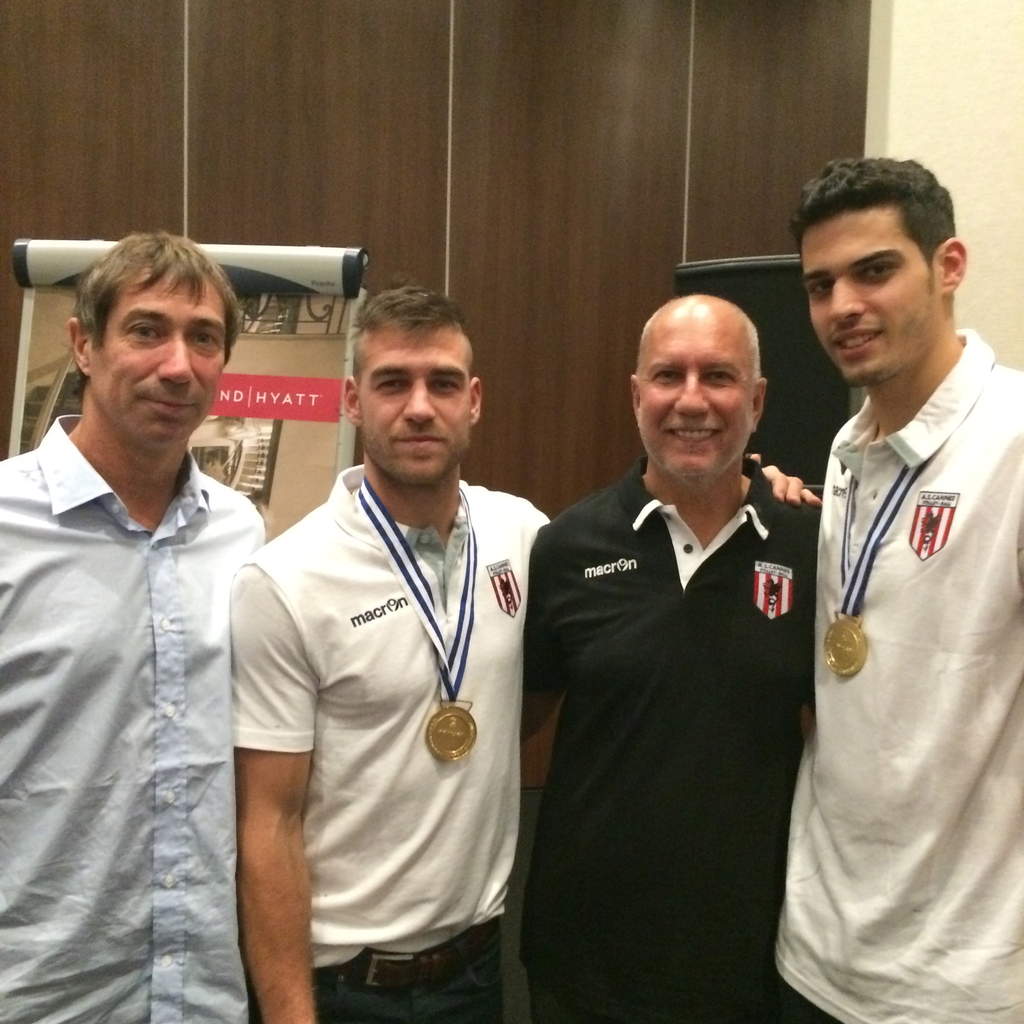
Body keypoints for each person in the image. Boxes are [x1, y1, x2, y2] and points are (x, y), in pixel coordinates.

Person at [232, 285, 548, 1024]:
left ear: (474, 400)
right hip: (345, 988)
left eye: (441, 383)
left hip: (477, 972)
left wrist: (761, 486)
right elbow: (267, 826)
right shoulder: (284, 580)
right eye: (392, 382)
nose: (418, 407)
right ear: (352, 400)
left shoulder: (526, 537)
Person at [521, 294, 819, 1023]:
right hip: (584, 965)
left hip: (753, 968)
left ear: (756, 400)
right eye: (668, 376)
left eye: (717, 376)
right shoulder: (567, 546)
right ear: (636, 395)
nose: (692, 401)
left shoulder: (813, 548)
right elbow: (521, 719)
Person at [775, 157, 1024, 1024]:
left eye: (875, 270)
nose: (843, 305)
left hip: (961, 982)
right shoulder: (846, 454)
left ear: (948, 266)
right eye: (821, 285)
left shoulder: (1015, 444)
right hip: (816, 953)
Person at [0, 232, 265, 1023]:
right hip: (39, 992)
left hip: (203, 990)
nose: (177, 365)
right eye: (147, 330)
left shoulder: (241, 532)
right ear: (84, 344)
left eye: (204, 338)